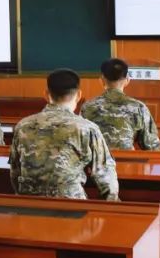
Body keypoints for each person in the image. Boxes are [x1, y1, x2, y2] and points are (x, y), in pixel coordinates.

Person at [9, 68, 119, 200]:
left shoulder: (23, 125)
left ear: (46, 94)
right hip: (71, 204)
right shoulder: (86, 128)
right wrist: (111, 204)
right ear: (78, 95)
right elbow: (105, 174)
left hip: (29, 203)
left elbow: (15, 171)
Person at [80, 57, 160, 151]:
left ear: (102, 79)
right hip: (127, 162)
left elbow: (82, 142)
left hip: (97, 163)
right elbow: (153, 147)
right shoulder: (138, 107)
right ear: (127, 79)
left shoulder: (87, 107)